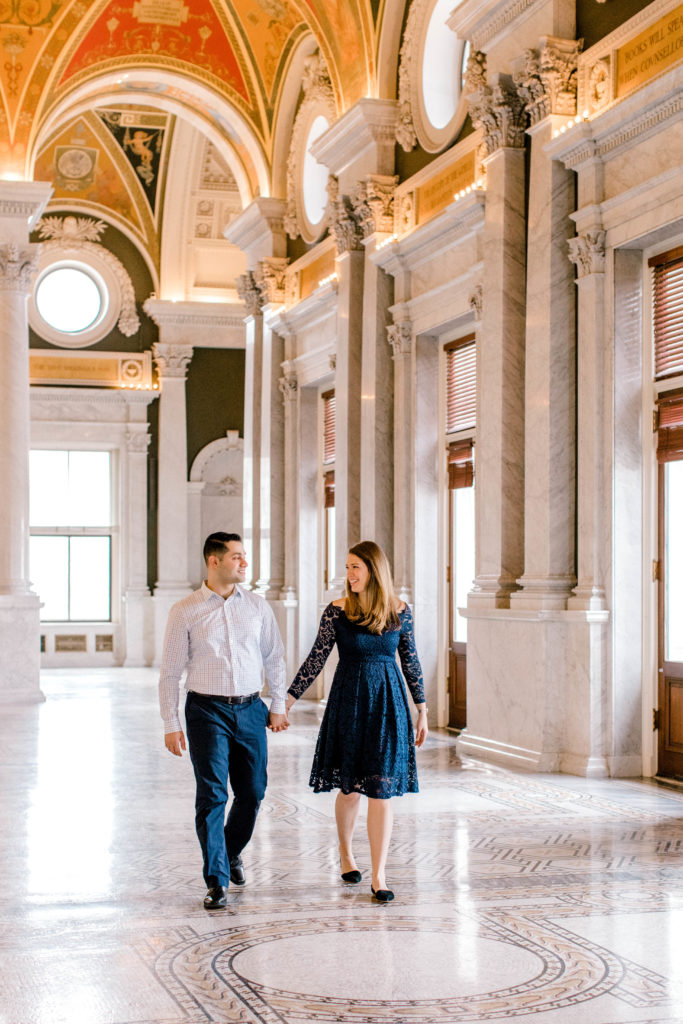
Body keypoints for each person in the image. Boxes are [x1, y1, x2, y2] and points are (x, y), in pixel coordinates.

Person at [285, 540, 428, 903]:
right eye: (347, 568)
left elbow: (410, 660)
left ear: (373, 570)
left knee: (381, 789)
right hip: (348, 701)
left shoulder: (399, 611)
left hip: (388, 706)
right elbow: (316, 658)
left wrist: (422, 708)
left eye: (355, 568)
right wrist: (287, 698)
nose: (348, 575)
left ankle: (379, 874)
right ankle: (347, 854)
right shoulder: (337, 611)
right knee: (349, 788)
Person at [159, 532, 288, 910]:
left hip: (251, 710)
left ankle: (230, 852)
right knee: (213, 794)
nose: (244, 563)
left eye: (244, 556)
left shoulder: (259, 607)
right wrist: (171, 722)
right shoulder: (185, 610)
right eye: (236, 557)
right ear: (213, 561)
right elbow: (170, 672)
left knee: (253, 792)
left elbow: (275, 658)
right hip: (205, 711)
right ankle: (216, 880)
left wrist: (277, 704)